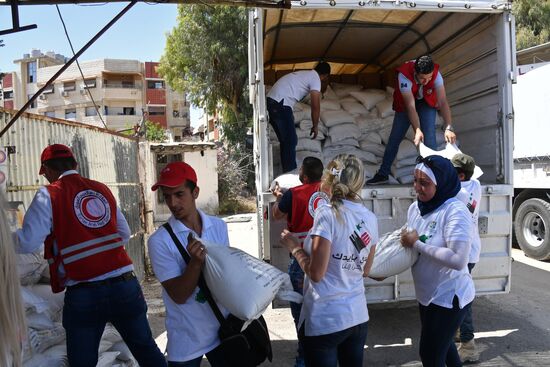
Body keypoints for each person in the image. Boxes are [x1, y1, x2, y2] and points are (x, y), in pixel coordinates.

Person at [15, 144, 166, 367]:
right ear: (75, 165)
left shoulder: (49, 194)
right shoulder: (101, 189)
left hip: (85, 293)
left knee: (82, 361)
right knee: (146, 350)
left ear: (46, 169)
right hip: (125, 285)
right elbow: (123, 233)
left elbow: (28, 242)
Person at [280, 155, 378, 367]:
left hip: (327, 319)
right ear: (360, 183)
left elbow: (316, 273)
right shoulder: (370, 219)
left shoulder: (327, 214)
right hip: (357, 317)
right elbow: (366, 269)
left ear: (329, 178)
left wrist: (294, 247)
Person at [148, 161, 230, 366]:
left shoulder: (218, 226)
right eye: (166, 196)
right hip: (187, 334)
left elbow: (225, 273)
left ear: (195, 192)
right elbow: (179, 295)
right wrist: (194, 263)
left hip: (223, 326)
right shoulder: (159, 241)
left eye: (179, 194)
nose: (172, 203)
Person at [401, 155, 475, 367]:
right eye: (415, 181)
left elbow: (459, 260)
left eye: (424, 183)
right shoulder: (417, 208)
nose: (417, 187)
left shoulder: (455, 211)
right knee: (446, 349)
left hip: (449, 296)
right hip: (428, 296)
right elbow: (409, 239)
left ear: (441, 183)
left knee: (430, 355)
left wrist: (417, 244)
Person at [272, 156, 328, 367]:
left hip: (299, 260)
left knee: (301, 314)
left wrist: (278, 197)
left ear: (303, 176)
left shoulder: (293, 194)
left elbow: (277, 215)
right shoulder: (330, 191)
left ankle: (304, 359)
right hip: (326, 259)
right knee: (322, 310)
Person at [367, 55, 456, 185]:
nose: (426, 81)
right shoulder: (404, 75)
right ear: (415, 72)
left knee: (430, 139)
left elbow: (442, 102)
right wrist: (417, 130)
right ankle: (383, 174)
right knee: (395, 138)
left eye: (429, 78)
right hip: (407, 104)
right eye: (422, 78)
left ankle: (434, 177)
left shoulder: (437, 75)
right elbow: (410, 106)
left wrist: (448, 127)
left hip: (426, 102)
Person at [267, 62, 331, 173]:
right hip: (280, 104)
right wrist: (315, 126)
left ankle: (287, 172)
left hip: (273, 102)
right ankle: (290, 174)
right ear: (325, 76)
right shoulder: (315, 78)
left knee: (287, 141)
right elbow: (315, 106)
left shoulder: (306, 75)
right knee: (290, 141)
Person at [452, 153, 481, 363]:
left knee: (462, 299)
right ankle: (455, 334)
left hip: (463, 251)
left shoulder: (458, 194)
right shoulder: (476, 186)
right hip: (471, 250)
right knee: (455, 294)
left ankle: (468, 345)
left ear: (460, 176)